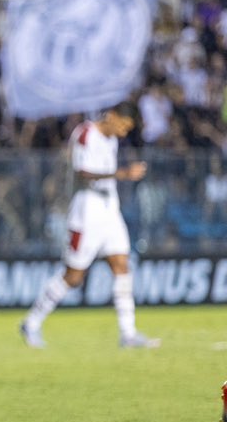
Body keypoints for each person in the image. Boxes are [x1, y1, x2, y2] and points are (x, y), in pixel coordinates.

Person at [20, 103, 159, 349]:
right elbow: (83, 172)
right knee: (73, 277)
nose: (124, 133)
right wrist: (123, 174)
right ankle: (31, 322)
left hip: (110, 209)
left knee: (121, 265)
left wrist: (118, 177)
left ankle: (127, 333)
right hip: (87, 211)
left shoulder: (111, 140)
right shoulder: (86, 134)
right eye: (123, 126)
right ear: (113, 116)